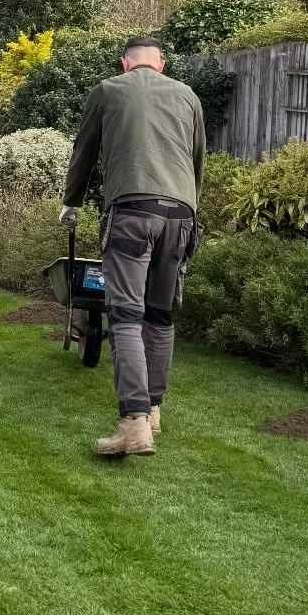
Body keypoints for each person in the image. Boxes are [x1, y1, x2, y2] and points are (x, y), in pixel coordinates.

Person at [60, 35, 205, 458]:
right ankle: (155, 410)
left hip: (131, 212)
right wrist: (189, 212)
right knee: (160, 316)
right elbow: (197, 161)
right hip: (181, 215)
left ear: (125, 65)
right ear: (160, 65)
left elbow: (84, 153)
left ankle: (134, 424)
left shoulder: (108, 90)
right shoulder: (188, 95)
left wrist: (71, 203)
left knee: (125, 315)